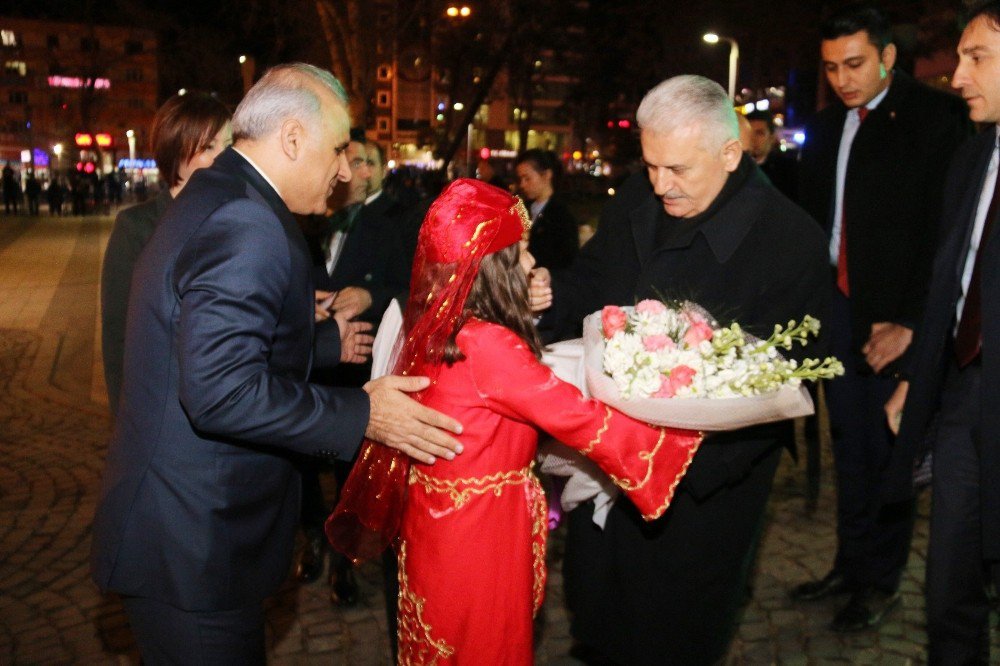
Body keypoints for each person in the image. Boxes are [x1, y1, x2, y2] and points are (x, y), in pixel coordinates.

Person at [89, 63, 464, 665]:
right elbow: (221, 391)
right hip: (193, 548)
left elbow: (205, 342)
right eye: (339, 148)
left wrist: (318, 346)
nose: (346, 169)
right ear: (293, 138)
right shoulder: (246, 221)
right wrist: (363, 413)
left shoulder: (224, 193)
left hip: (184, 533)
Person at [327, 177, 703, 663]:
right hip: (482, 530)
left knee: (448, 640)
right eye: (520, 251)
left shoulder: (437, 322)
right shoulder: (487, 344)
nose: (530, 262)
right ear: (491, 266)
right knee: (487, 643)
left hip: (435, 524)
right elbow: (579, 419)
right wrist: (679, 433)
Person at [530, 74, 830, 665]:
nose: (660, 185)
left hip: (703, 488)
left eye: (677, 170)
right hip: (608, 465)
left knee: (673, 631)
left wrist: (670, 462)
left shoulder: (789, 239)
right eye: (650, 166)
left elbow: (782, 381)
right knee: (599, 612)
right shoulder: (641, 200)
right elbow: (591, 284)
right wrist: (548, 295)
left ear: (728, 153)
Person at [793, 1, 971, 632]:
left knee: (889, 453)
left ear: (889, 57)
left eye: (856, 63)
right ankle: (849, 563)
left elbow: (943, 234)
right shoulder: (824, 127)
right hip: (838, 313)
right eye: (832, 66)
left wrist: (913, 323)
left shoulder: (936, 118)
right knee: (850, 445)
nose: (842, 78)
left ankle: (880, 581)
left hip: (895, 321)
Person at [884, 3, 1000, 662]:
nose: (958, 77)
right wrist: (913, 381)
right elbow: (949, 286)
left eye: (977, 57)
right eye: (959, 57)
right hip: (964, 400)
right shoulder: (973, 156)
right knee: (949, 588)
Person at [101, 92, 233, 415]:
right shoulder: (136, 228)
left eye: (229, 146)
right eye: (209, 147)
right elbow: (118, 336)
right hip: (158, 413)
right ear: (176, 151)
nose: (224, 158)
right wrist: (124, 421)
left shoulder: (237, 223)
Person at [515, 148, 579, 270]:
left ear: (547, 175)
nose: (522, 184)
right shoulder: (524, 210)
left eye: (527, 178)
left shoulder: (561, 216)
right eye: (520, 179)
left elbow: (567, 261)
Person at [746, 109, 798, 200]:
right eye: (749, 133)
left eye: (759, 133)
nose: (752, 139)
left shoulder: (787, 172)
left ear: (771, 137)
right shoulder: (735, 168)